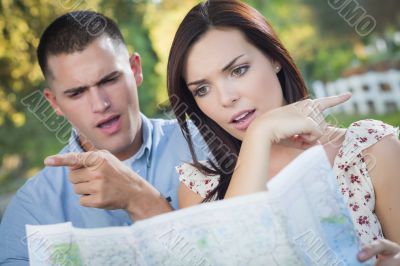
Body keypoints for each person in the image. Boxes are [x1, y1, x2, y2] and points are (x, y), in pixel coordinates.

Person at [166, 0, 400, 263]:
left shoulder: (368, 152)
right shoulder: (200, 187)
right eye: (202, 89)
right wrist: (260, 134)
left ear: (274, 58)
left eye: (238, 70)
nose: (225, 98)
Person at [0, 10, 207, 264]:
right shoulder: (32, 210)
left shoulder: (206, 145)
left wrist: (139, 199)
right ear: (54, 103)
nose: (100, 104)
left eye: (109, 80)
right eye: (76, 93)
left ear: (135, 69)